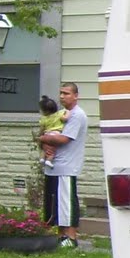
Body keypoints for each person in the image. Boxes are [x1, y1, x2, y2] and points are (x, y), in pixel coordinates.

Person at [38, 82, 88, 247]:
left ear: (75, 96)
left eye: (66, 93)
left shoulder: (76, 115)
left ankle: (71, 238)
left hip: (66, 166)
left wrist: (42, 138)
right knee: (55, 203)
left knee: (67, 202)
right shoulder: (61, 113)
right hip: (53, 166)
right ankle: (60, 237)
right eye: (61, 93)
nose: (62, 96)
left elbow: (63, 139)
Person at [36, 94, 68, 167]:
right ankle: (49, 160)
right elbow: (66, 116)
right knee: (52, 150)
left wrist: (39, 136)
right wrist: (68, 112)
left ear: (45, 111)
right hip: (56, 134)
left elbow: (42, 129)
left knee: (44, 147)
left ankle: (42, 158)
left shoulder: (43, 119)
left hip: (46, 134)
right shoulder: (59, 114)